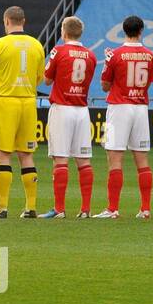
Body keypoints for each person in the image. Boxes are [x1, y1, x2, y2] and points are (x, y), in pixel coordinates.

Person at [0, 5, 46, 219]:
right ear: (23, 21)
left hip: (6, 101)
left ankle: (2, 207)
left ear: (6, 21)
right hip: (28, 102)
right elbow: (39, 78)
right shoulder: (37, 45)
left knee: (3, 154)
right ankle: (31, 207)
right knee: (26, 155)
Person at [94, 15, 153, 219]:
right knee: (142, 159)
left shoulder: (115, 55)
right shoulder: (150, 55)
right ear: (141, 31)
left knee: (115, 159)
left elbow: (104, 85)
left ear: (123, 30)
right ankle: (145, 209)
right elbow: (149, 82)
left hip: (120, 107)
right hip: (140, 106)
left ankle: (112, 209)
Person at [42, 16, 97, 220]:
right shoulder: (90, 55)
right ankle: (85, 209)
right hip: (81, 110)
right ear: (80, 33)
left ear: (64, 32)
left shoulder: (58, 51)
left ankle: (59, 209)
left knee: (61, 159)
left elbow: (47, 80)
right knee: (84, 160)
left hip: (62, 107)